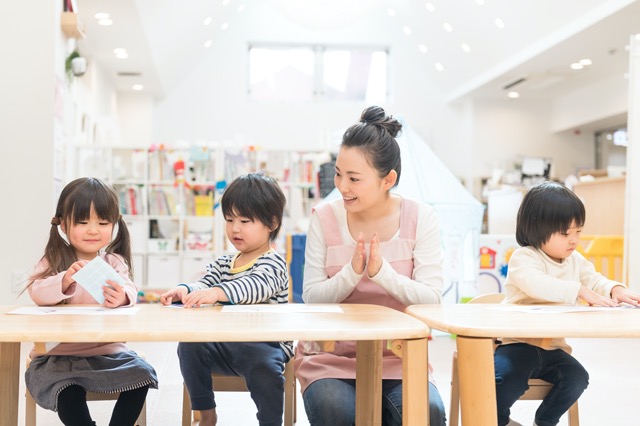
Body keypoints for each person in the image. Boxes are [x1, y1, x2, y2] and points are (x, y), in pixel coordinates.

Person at [294, 105, 447, 426]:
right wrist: (353, 272)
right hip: (330, 358)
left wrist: (382, 274)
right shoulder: (325, 218)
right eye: (338, 174)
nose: (342, 186)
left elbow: (432, 298)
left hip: (399, 358)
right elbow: (311, 296)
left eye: (354, 178)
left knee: (428, 414)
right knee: (336, 412)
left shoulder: (421, 219)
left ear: (387, 179)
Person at [496, 181, 640, 426]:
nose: (574, 240)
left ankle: (545, 421)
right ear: (536, 228)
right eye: (565, 233)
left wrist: (615, 288)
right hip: (516, 345)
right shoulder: (525, 257)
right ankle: (499, 420)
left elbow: (593, 280)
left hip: (553, 348)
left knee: (577, 377)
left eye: (578, 231)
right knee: (503, 380)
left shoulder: (575, 260)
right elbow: (537, 284)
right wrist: (579, 289)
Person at [160, 173, 293, 426]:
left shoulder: (273, 261)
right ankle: (206, 414)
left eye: (245, 220)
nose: (235, 228)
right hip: (226, 345)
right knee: (189, 344)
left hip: (266, 345)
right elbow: (205, 283)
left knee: (265, 369)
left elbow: (255, 287)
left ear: (272, 223)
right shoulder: (224, 262)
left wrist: (218, 293)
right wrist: (185, 289)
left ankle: (270, 422)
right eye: (229, 219)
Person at [25, 177, 158, 426]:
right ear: (63, 224)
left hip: (108, 351)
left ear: (114, 224)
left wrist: (123, 296)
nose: (93, 230)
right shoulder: (53, 259)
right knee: (67, 390)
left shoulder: (113, 262)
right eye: (82, 222)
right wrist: (64, 280)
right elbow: (37, 291)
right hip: (58, 354)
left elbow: (129, 288)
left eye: (102, 222)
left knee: (142, 375)